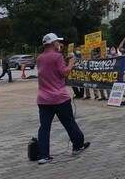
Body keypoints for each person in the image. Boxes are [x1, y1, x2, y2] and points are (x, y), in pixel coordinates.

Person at [35, 33, 90, 164]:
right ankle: (77, 145)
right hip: (59, 97)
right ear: (54, 44)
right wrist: (71, 63)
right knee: (69, 122)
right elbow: (64, 73)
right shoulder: (57, 57)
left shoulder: (40, 58)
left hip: (43, 98)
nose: (59, 44)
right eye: (58, 42)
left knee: (44, 127)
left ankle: (44, 155)